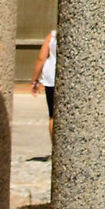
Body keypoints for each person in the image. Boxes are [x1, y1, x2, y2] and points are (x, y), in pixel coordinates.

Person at [37, 28, 57, 157]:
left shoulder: (52, 36)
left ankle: (55, 148)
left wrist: (34, 80)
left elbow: (41, 58)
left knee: (53, 115)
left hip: (51, 77)